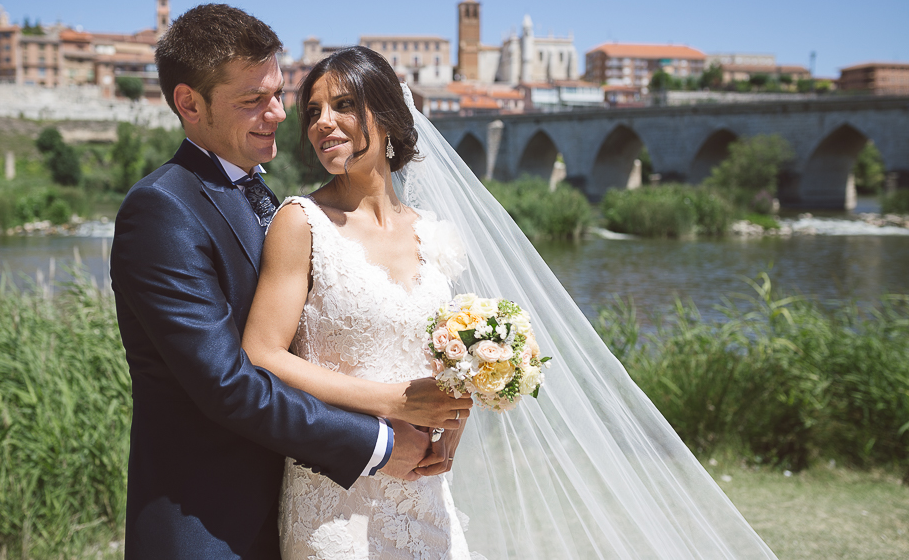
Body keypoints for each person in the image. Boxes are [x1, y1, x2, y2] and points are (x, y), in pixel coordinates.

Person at [244, 46, 779, 559]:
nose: (321, 123)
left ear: (386, 117)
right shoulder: (301, 222)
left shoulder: (433, 234)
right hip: (335, 494)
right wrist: (393, 402)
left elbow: (448, 356)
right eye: (313, 110)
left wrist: (455, 419)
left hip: (423, 489)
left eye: (342, 105)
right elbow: (263, 354)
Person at [110, 5, 469, 560]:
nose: (278, 114)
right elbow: (230, 384)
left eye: (278, 95)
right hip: (210, 524)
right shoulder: (163, 210)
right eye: (253, 100)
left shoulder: (268, 200)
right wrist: (378, 442)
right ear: (189, 104)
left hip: (304, 509)